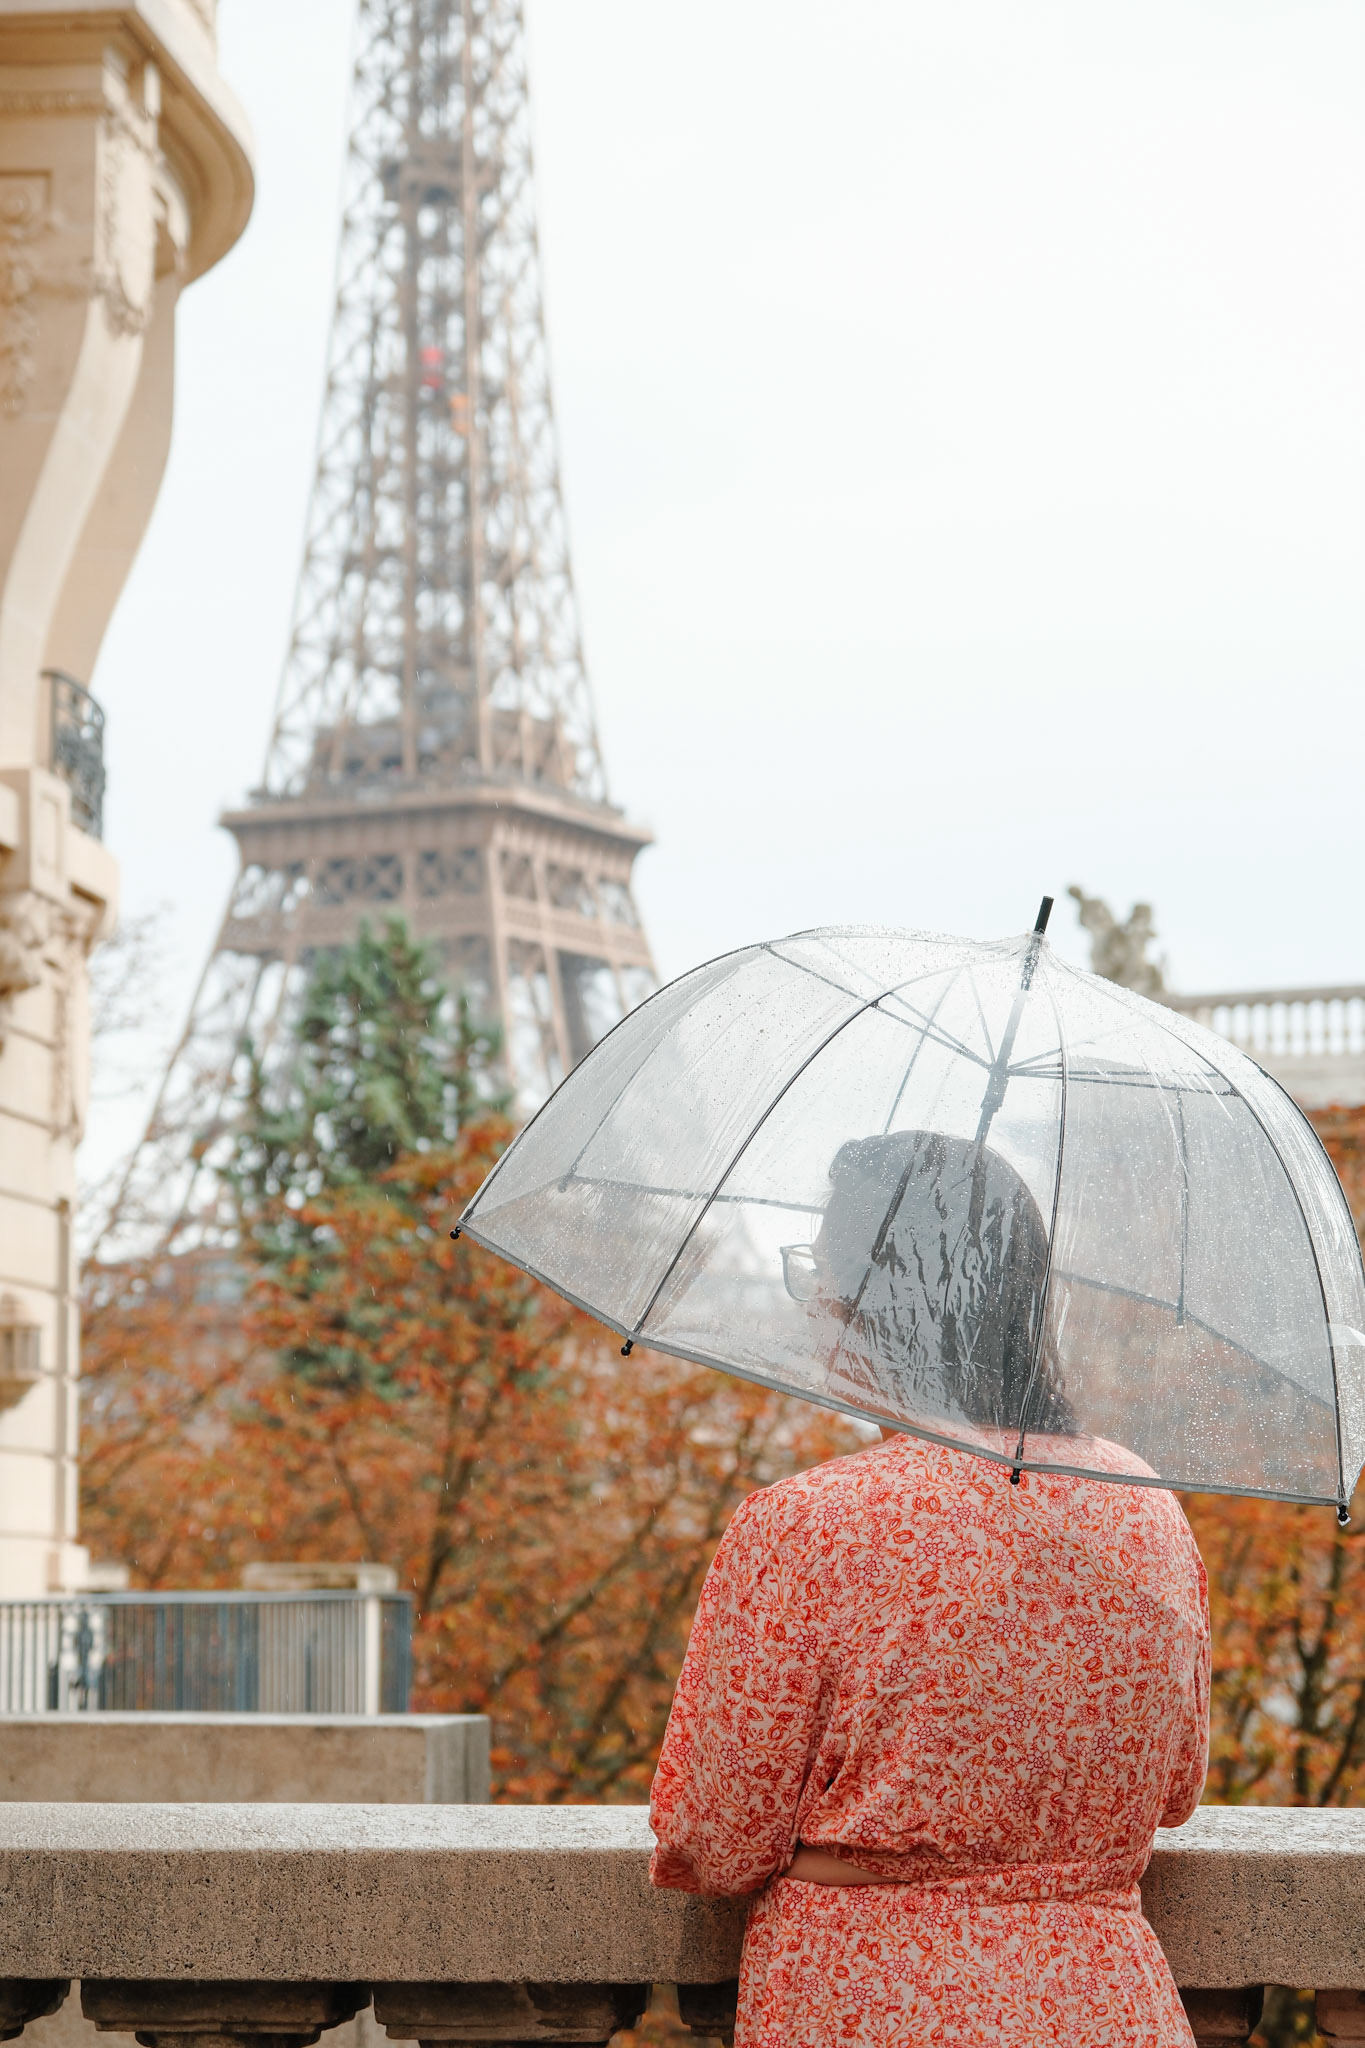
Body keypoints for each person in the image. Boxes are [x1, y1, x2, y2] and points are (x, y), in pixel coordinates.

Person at [650, 1129, 1210, 2048]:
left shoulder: (807, 1523)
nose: (811, 1300)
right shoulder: (1143, 1504)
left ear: (874, 1298)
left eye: (819, 1272)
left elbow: (716, 1835)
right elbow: (1174, 1788)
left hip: (869, 1997)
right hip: (1107, 2003)